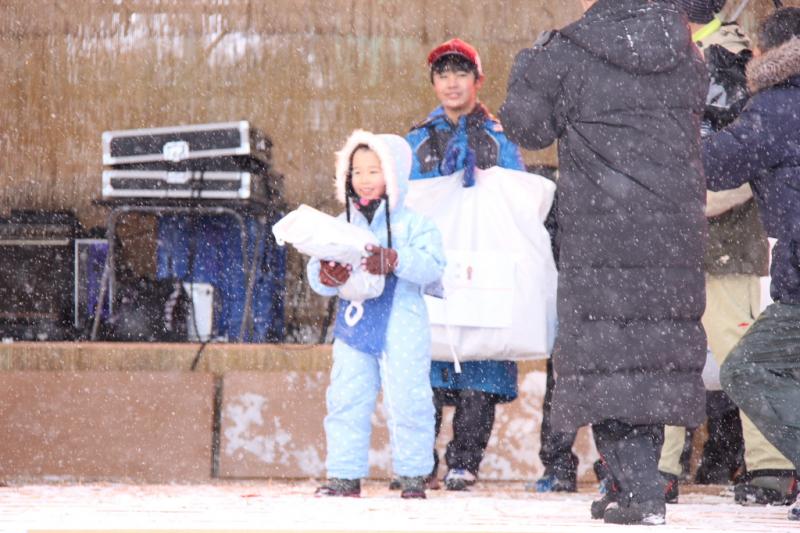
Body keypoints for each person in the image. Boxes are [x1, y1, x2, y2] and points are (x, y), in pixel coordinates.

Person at [500, 0, 708, 525]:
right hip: (672, 236)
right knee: (647, 363)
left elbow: (527, 127)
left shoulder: (569, 50)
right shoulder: (683, 50)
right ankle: (628, 482)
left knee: (607, 363)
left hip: (603, 235)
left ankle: (642, 493)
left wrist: (528, 64)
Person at [660, 0, 796, 506]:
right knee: (670, 351)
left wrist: (677, 191)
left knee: (743, 355)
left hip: (725, 238)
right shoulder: (680, 56)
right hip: (681, 234)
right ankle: (660, 463)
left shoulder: (734, 65)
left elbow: (732, 159)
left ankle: (772, 465)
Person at [404, 37, 525, 491]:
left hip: (484, 267)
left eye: (461, 74)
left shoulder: (499, 138)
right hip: (434, 267)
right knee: (427, 368)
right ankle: (420, 461)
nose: (452, 83)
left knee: (481, 369)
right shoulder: (416, 141)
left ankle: (465, 461)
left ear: (478, 80)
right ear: (433, 83)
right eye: (443, 75)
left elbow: (517, 195)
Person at [308, 130, 446, 499]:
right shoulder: (341, 223)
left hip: (402, 323)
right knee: (346, 396)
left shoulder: (415, 224)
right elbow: (317, 267)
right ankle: (344, 474)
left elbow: (434, 266)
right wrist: (325, 275)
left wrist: (397, 260)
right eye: (356, 171)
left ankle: (413, 474)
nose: (364, 179)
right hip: (355, 324)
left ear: (394, 174)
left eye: (374, 170)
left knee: (408, 398)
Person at [703, 6, 800, 521]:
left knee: (746, 368)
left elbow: (714, 165)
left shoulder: (778, 106)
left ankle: (778, 465)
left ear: (767, 53)